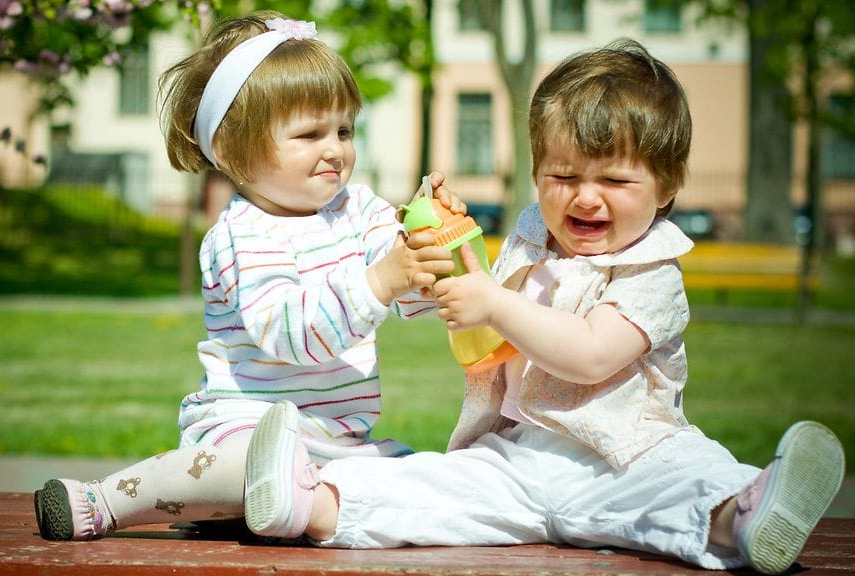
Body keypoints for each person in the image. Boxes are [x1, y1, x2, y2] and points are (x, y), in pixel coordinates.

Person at [241, 39, 846, 576]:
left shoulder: (653, 271)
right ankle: (309, 502)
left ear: (667, 186)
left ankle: (748, 515)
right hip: (515, 456)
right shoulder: (532, 239)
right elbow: (479, 316)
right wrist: (440, 236)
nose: (585, 197)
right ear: (535, 172)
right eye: (563, 176)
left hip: (628, 458)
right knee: (427, 486)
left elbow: (591, 354)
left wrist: (494, 304)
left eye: (615, 181)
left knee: (688, 482)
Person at [33, 11, 465, 541]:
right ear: (234, 151)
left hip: (338, 441)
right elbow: (288, 333)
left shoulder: (362, 211)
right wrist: (381, 281)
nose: (335, 148)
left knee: (425, 475)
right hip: (246, 427)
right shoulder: (241, 234)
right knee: (229, 466)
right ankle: (108, 501)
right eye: (309, 133)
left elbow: (407, 298)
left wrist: (426, 244)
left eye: (344, 130)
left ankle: (283, 505)